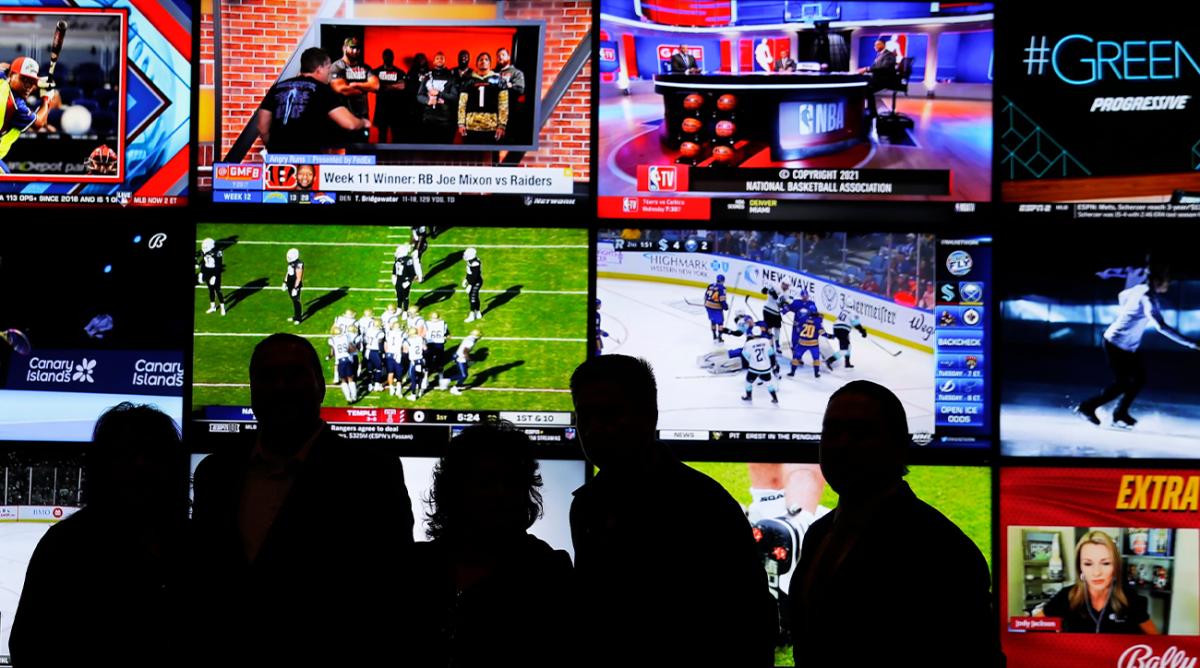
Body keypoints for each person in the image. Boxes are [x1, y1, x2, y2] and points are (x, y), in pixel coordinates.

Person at [191, 334, 412, 666]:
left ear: (320, 386)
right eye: (267, 377)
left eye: (294, 374)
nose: (281, 387)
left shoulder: (372, 473)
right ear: (252, 389)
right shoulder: (215, 473)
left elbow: (391, 593)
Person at [569, 355, 776, 667]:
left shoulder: (705, 506)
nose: (594, 429)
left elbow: (752, 624)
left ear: (649, 416)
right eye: (585, 417)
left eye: (609, 414)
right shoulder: (586, 506)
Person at [789, 380, 1000, 667]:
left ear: (899, 446)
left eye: (860, 433)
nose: (842, 444)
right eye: (833, 430)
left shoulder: (941, 550)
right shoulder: (818, 533)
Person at [10, 403, 193, 668]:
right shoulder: (64, 547)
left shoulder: (198, 545)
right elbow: (28, 647)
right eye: (126, 454)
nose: (140, 465)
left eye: (152, 454)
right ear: (104, 466)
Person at [404, 422, 574, 666]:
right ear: (454, 489)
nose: (499, 494)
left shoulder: (548, 571)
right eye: (485, 481)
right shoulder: (413, 567)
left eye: (511, 482)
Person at [1075, 265, 1200, 429]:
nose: (1168, 285)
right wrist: (1191, 343)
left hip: (1127, 346)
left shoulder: (1139, 289)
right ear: (1156, 280)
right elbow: (1160, 326)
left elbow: (1123, 295)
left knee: (1139, 379)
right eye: (1166, 281)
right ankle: (1087, 406)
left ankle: (1120, 413)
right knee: (1123, 382)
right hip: (1115, 343)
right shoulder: (1148, 298)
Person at [1034, 531, 1159, 634]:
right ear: (1080, 567)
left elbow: (1155, 639)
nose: (1096, 572)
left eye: (1105, 563)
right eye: (1088, 564)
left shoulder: (1131, 598)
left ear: (1115, 567)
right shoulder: (1065, 596)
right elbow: (1034, 626)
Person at [256, 47, 369, 154]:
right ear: (319, 69)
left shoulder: (277, 88)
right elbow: (349, 124)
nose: (329, 73)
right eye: (328, 68)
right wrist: (363, 122)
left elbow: (262, 127)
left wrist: (275, 149)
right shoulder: (322, 90)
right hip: (307, 160)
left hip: (277, 161)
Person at [0, 57, 53, 163]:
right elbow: (39, 123)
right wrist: (46, 98)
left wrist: (38, 84)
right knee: (9, 179)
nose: (29, 86)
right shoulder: (15, 106)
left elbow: (3, 66)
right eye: (24, 79)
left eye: (32, 81)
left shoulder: (3, 78)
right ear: (11, 75)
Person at [329, 37, 379, 144]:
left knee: (363, 150)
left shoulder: (365, 68)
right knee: (344, 151)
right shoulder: (337, 67)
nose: (355, 51)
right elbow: (341, 89)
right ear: (344, 48)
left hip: (362, 116)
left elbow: (376, 86)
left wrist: (356, 84)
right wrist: (364, 88)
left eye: (357, 48)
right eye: (352, 48)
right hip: (344, 116)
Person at [458, 52, 508, 144]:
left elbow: (503, 105)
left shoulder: (499, 80)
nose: (483, 61)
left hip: (491, 126)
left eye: (486, 60)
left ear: (490, 63)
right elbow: (462, 104)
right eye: (481, 59)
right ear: (477, 63)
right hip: (471, 126)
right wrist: (461, 123)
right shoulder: (468, 80)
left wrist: (502, 125)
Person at [417, 51, 458, 143]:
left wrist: (439, 94)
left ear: (445, 61)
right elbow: (419, 96)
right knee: (428, 149)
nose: (439, 60)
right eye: (437, 58)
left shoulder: (451, 77)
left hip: (445, 120)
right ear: (434, 62)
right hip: (428, 119)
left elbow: (454, 97)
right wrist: (428, 101)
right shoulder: (427, 77)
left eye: (441, 58)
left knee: (445, 150)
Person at [372, 48, 406, 142]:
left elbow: (403, 86)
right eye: (386, 56)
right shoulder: (377, 71)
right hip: (381, 108)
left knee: (397, 136)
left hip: (396, 109)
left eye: (390, 56)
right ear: (382, 57)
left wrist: (385, 86)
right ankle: (381, 156)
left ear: (393, 57)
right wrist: (394, 86)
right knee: (382, 136)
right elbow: (374, 87)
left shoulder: (399, 72)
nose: (388, 58)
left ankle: (396, 156)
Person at [858, 39, 897, 118]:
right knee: (863, 85)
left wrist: (867, 69)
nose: (875, 46)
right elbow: (875, 67)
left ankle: (872, 113)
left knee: (866, 89)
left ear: (883, 45)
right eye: (875, 45)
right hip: (878, 78)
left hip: (885, 80)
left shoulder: (889, 55)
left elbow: (884, 67)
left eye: (878, 44)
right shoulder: (880, 55)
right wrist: (865, 70)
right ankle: (869, 111)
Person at [705, 273, 729, 342]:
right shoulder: (722, 288)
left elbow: (706, 296)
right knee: (720, 323)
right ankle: (719, 337)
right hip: (716, 308)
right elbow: (722, 299)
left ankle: (714, 335)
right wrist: (725, 306)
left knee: (713, 321)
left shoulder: (710, 285)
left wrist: (706, 304)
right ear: (723, 281)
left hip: (708, 306)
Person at [282, 247, 303, 324]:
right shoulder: (291, 263)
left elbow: (298, 277)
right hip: (290, 284)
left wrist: (295, 288)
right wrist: (285, 282)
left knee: (296, 301)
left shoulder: (299, 265)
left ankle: (298, 318)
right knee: (293, 301)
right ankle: (296, 316)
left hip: (295, 285)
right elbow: (288, 272)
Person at [462, 247, 483, 322]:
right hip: (473, 281)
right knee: (474, 296)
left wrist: (470, 285)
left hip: (476, 282)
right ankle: (477, 312)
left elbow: (475, 276)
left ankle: (472, 315)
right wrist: (466, 279)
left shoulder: (475, 263)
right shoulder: (471, 261)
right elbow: (469, 273)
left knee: (473, 298)